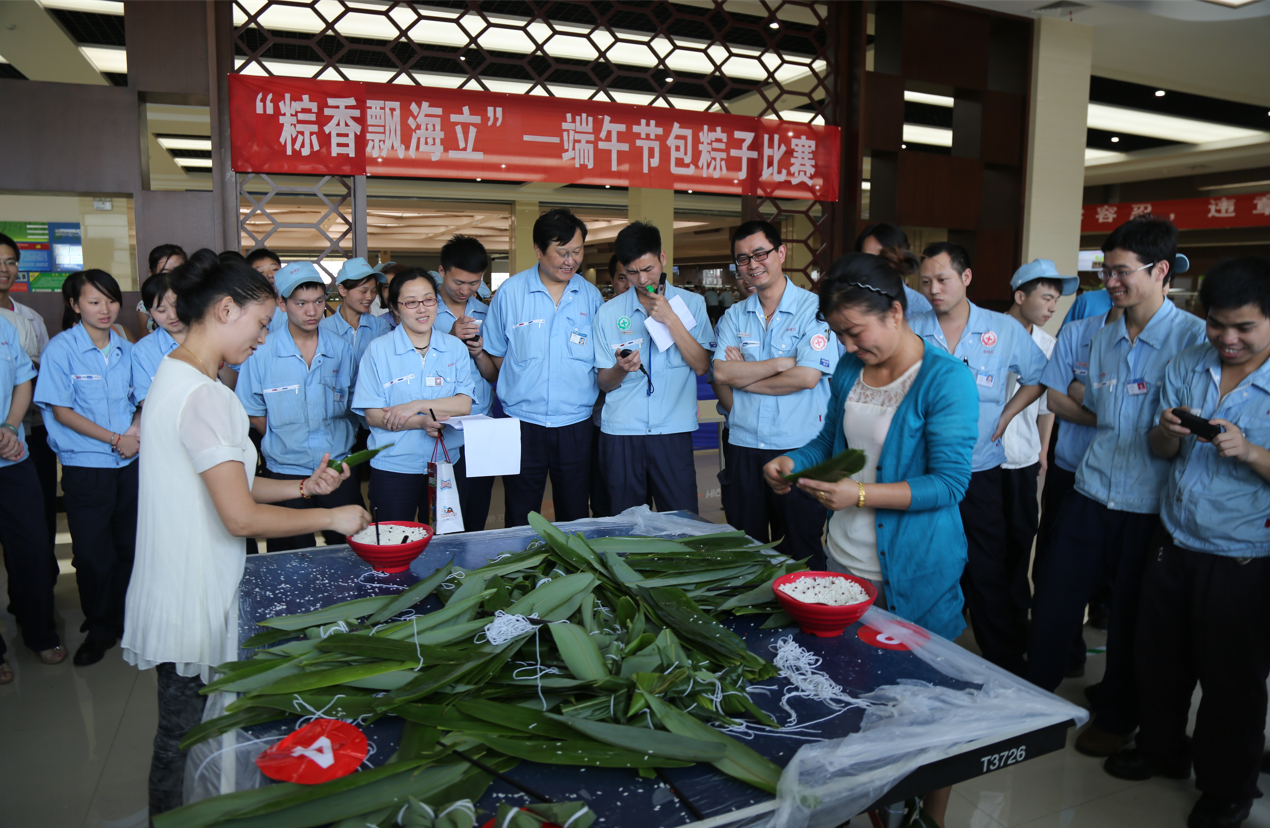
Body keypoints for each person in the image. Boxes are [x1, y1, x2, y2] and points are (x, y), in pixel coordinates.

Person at [120, 249, 368, 817]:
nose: (263, 338)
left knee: (186, 730)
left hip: (182, 579)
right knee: (181, 738)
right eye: (260, 324)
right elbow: (239, 517)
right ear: (226, 309)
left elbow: (239, 485)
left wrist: (304, 488)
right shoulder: (204, 395)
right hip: (191, 591)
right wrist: (332, 517)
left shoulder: (176, 373)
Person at [762, 249, 977, 828]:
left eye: (857, 333)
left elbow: (949, 483)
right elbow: (833, 448)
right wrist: (791, 461)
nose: (851, 347)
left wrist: (859, 496)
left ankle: (929, 815)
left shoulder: (944, 379)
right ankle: (879, 808)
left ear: (896, 312)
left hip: (914, 572)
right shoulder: (851, 372)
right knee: (857, 702)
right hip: (845, 567)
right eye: (840, 336)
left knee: (924, 709)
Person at [1026, 215, 1207, 757]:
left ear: (1161, 271)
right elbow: (1091, 407)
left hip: (1149, 504)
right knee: (1055, 596)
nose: (1110, 282)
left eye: (1122, 272)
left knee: (1131, 616)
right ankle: (1034, 696)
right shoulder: (1104, 337)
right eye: (1106, 271)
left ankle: (1118, 713)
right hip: (1091, 489)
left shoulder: (1193, 340)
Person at [1100, 257, 1270, 828]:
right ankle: (1163, 748)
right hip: (1174, 538)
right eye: (1218, 324)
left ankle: (1227, 788)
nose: (1227, 339)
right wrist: (1166, 431)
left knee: (1231, 679)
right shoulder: (1188, 363)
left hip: (1245, 556)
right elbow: (1161, 451)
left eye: (1244, 327)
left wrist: (1250, 452)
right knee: (1162, 660)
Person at [912, 242, 1046, 675]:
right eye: (926, 281)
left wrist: (1007, 414)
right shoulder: (911, 328)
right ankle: (923, 659)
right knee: (927, 565)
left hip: (979, 470)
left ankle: (1003, 660)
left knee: (986, 567)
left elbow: (1039, 377)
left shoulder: (1002, 329)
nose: (933, 289)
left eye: (943, 280)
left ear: (966, 278)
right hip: (923, 473)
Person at [712, 220, 838, 569]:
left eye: (760, 253)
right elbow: (721, 372)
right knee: (745, 551)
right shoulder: (733, 317)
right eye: (742, 259)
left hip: (799, 448)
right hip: (744, 445)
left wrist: (745, 378)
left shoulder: (815, 311)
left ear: (780, 253)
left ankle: (807, 622)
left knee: (802, 549)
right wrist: (782, 363)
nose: (752, 264)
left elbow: (808, 377)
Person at [34, 269, 141, 667]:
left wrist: (133, 432)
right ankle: (99, 628)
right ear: (74, 305)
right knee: (94, 554)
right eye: (94, 301)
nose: (105, 309)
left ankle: (130, 620)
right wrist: (116, 439)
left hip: (131, 462)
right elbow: (62, 411)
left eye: (111, 300)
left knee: (129, 546)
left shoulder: (128, 349)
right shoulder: (61, 350)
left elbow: (144, 400)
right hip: (87, 466)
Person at [482, 208, 602, 527]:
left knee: (574, 514)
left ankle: (572, 573)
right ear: (539, 250)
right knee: (521, 514)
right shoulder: (511, 293)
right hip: (522, 423)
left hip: (576, 424)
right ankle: (522, 572)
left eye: (577, 251)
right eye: (562, 252)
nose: (570, 260)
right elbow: (495, 353)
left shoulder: (591, 298)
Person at [235, 261, 361, 551]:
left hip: (336, 467)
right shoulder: (262, 351)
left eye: (318, 302)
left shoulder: (340, 348)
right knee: (291, 558)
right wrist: (283, 437)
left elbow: (354, 403)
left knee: (351, 551)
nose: (311, 311)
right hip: (285, 471)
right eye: (300, 303)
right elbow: (253, 409)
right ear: (282, 303)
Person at [595, 222, 711, 513]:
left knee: (682, 524)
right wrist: (621, 369)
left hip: (672, 432)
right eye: (631, 272)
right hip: (622, 433)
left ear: (663, 258)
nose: (641, 279)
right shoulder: (608, 313)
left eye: (647, 269)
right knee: (625, 528)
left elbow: (701, 366)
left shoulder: (693, 305)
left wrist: (671, 319)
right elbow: (604, 383)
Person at [1036, 301, 1124, 679]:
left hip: (1130, 483)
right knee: (1055, 573)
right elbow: (1054, 398)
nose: (1116, 281)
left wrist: (1081, 390)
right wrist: (1112, 416)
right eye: (1111, 271)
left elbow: (1145, 413)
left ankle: (1116, 691)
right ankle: (1064, 660)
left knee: (1121, 587)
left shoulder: (1181, 334)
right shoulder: (1077, 331)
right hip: (1072, 470)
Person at [354, 268, 475, 523]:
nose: (422, 309)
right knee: (394, 543)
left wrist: (416, 406)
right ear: (395, 309)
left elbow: (464, 404)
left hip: (445, 465)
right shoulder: (378, 351)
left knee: (445, 545)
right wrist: (421, 421)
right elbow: (373, 416)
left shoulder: (454, 347)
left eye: (429, 299)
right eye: (411, 302)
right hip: (394, 467)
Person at [999, 260, 1074, 639]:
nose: (1051, 308)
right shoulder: (987, 333)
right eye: (1046, 298)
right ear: (1019, 296)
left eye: (1056, 301)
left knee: (1021, 535)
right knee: (982, 538)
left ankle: (1016, 613)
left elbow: (1047, 407)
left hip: (1024, 458)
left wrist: (1043, 450)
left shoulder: (1050, 345)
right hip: (982, 460)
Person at [0, 312, 66, 684]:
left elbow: (23, 380)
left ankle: (40, 633)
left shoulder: (4, 327)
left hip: (12, 456)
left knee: (33, 549)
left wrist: (11, 425)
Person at [433, 235, 498, 531]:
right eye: (459, 282)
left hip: (481, 424)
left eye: (473, 283)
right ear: (442, 271)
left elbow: (493, 375)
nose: (465, 290)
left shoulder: (486, 313)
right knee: (444, 509)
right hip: (442, 426)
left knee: (477, 505)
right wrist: (449, 336)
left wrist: (478, 351)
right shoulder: (425, 312)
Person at [0, 232, 57, 555]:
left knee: (35, 518)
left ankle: (39, 590)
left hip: (29, 430)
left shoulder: (28, 319)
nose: (4, 269)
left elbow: (38, 375)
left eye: (10, 262)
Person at [320, 257, 393, 382]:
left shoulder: (381, 327)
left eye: (374, 291)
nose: (370, 297)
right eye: (363, 291)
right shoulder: (323, 329)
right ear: (342, 290)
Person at [853, 222, 932, 317]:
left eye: (883, 258)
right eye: (868, 258)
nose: (873, 265)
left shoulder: (922, 309)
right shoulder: (849, 302)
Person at [136, 244, 186, 333]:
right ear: (151, 273)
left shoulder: (196, 297)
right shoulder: (145, 306)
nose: (173, 277)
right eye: (165, 273)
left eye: (179, 271)